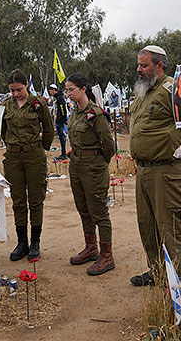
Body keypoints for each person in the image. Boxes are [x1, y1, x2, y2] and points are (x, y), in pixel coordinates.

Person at [129, 45, 181, 286]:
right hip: (144, 172)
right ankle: (159, 272)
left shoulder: (173, 90)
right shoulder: (145, 91)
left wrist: (177, 156)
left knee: (171, 229)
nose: (139, 69)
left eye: (144, 65)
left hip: (167, 173)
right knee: (148, 227)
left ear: (159, 66)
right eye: (138, 65)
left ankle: (179, 283)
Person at [65, 74, 115, 275]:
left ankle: (107, 256)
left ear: (83, 89)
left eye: (71, 89)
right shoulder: (75, 112)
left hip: (93, 167)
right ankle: (91, 247)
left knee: (99, 212)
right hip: (76, 165)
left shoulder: (96, 114)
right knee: (83, 208)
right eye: (66, 90)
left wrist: (98, 163)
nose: (68, 93)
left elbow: (109, 145)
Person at [2, 69, 54, 261]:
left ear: (26, 86)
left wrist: (41, 148)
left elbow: (49, 129)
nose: (15, 94)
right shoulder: (6, 106)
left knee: (36, 199)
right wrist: (11, 146)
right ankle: (21, 242)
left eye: (19, 90)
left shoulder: (38, 104)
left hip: (34, 156)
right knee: (18, 201)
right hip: (14, 157)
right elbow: (3, 131)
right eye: (12, 90)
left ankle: (35, 242)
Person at [48, 83, 68, 160]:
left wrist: (64, 118)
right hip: (57, 119)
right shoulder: (56, 98)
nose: (50, 93)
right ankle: (63, 153)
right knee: (60, 136)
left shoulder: (59, 98)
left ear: (53, 90)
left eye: (50, 91)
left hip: (60, 120)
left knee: (61, 137)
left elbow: (62, 108)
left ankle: (63, 153)